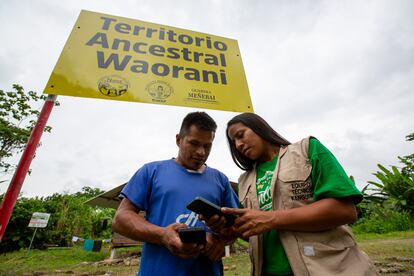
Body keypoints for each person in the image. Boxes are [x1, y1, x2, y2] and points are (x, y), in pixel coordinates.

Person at [206, 112, 378, 276]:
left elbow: (345, 210)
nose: (238, 144)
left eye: (241, 134)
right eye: (233, 141)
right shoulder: (245, 180)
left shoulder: (307, 150)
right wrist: (230, 231)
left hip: (325, 268)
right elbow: (256, 227)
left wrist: (270, 219)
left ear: (259, 127)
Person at [112, 111, 239, 276]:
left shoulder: (221, 180)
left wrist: (221, 241)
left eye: (207, 146)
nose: (201, 152)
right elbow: (120, 219)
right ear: (179, 139)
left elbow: (235, 228)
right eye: (194, 143)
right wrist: (163, 235)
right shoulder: (151, 172)